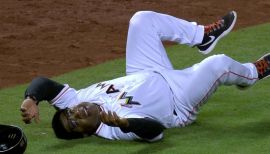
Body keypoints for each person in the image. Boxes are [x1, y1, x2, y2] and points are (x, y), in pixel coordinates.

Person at [20, 10, 270, 142]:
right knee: (218, 65)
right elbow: (156, 132)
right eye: (75, 124)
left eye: (70, 113)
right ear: (86, 133)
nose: (76, 114)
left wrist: (31, 98)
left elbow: (43, 84)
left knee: (141, 20)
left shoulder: (75, 101)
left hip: (147, 71)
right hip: (178, 101)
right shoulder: (112, 128)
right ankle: (253, 72)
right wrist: (126, 124)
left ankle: (202, 36)